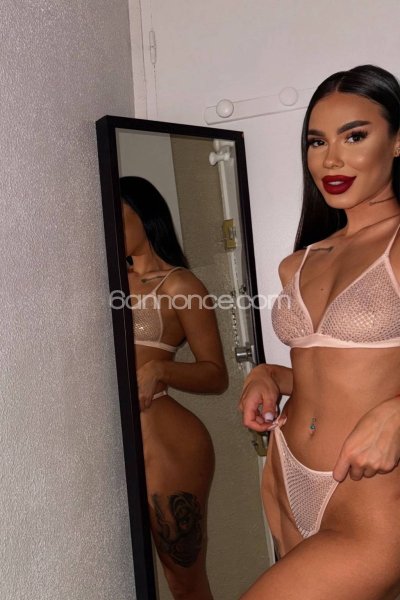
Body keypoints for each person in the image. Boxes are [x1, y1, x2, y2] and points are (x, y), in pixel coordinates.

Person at [239, 65, 400, 599]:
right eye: (316, 141)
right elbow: (333, 370)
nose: (330, 159)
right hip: (286, 475)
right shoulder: (299, 262)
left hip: (369, 494)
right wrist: (269, 374)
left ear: (397, 141)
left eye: (354, 136)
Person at [119, 176, 228, 600]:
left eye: (117, 215)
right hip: (113, 438)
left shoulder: (181, 285)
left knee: (183, 580)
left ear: (144, 217)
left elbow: (215, 374)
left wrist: (162, 370)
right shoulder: (106, 279)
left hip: (165, 440)